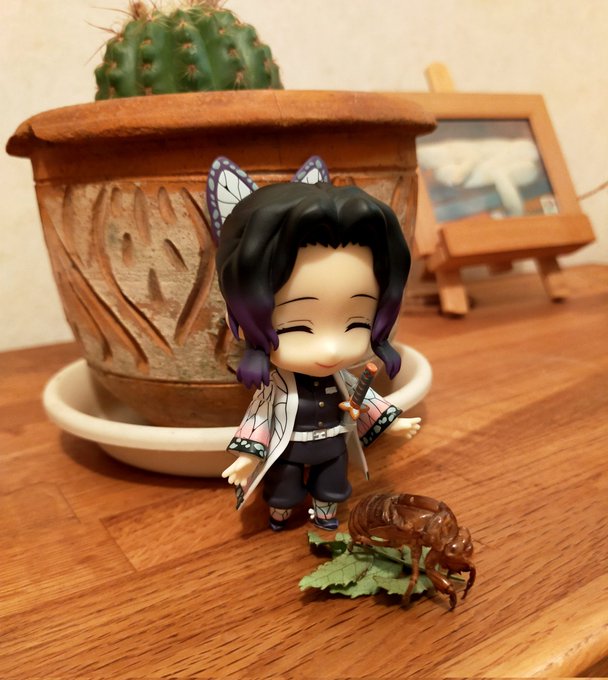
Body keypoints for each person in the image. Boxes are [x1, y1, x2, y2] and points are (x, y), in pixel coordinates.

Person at [213, 167, 420, 531]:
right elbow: (258, 418)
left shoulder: (343, 377)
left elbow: (365, 399)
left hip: (333, 445)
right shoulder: (277, 386)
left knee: (332, 484)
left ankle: (325, 515)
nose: (330, 349)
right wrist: (247, 457)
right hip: (289, 448)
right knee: (284, 487)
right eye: (296, 327)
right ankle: (280, 514)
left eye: (357, 323)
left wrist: (393, 422)